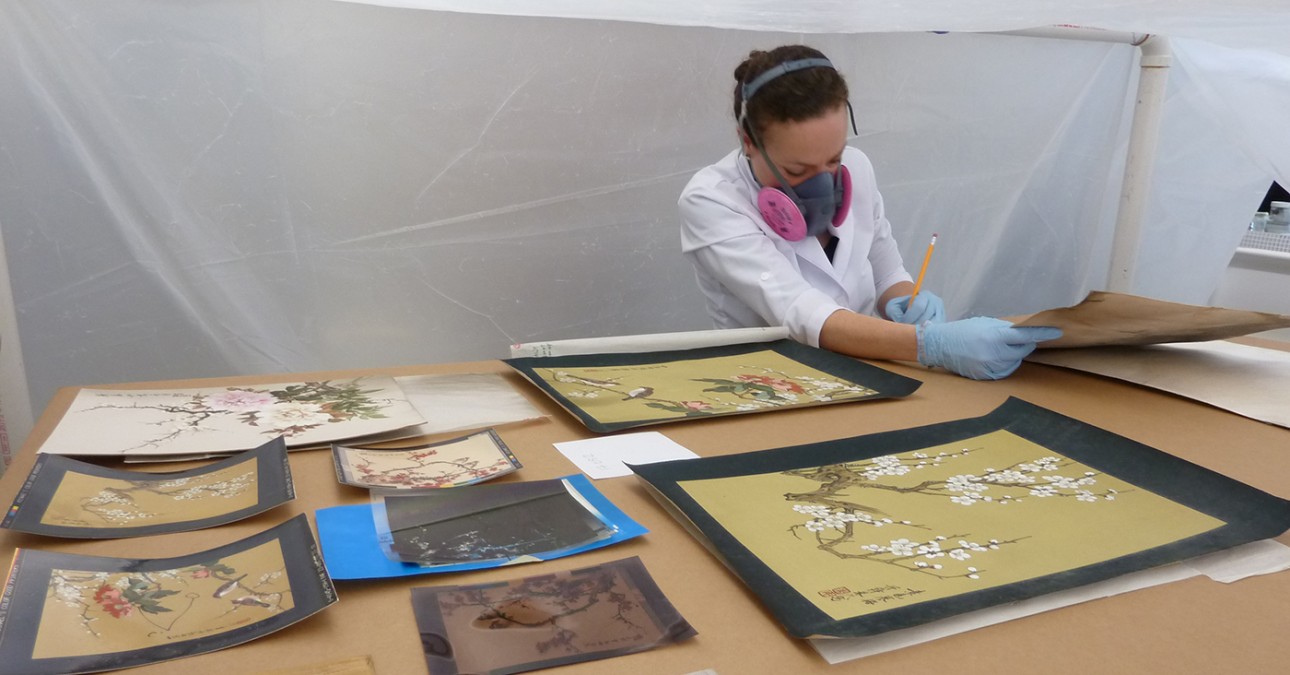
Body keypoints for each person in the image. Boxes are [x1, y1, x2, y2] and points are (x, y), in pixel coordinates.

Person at [678, 45, 1060, 380]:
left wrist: (908, 303)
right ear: (749, 142)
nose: (823, 184)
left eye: (833, 159)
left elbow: (887, 270)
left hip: (868, 372)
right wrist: (930, 344)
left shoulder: (857, 169)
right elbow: (802, 313)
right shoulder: (712, 201)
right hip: (768, 383)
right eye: (797, 171)